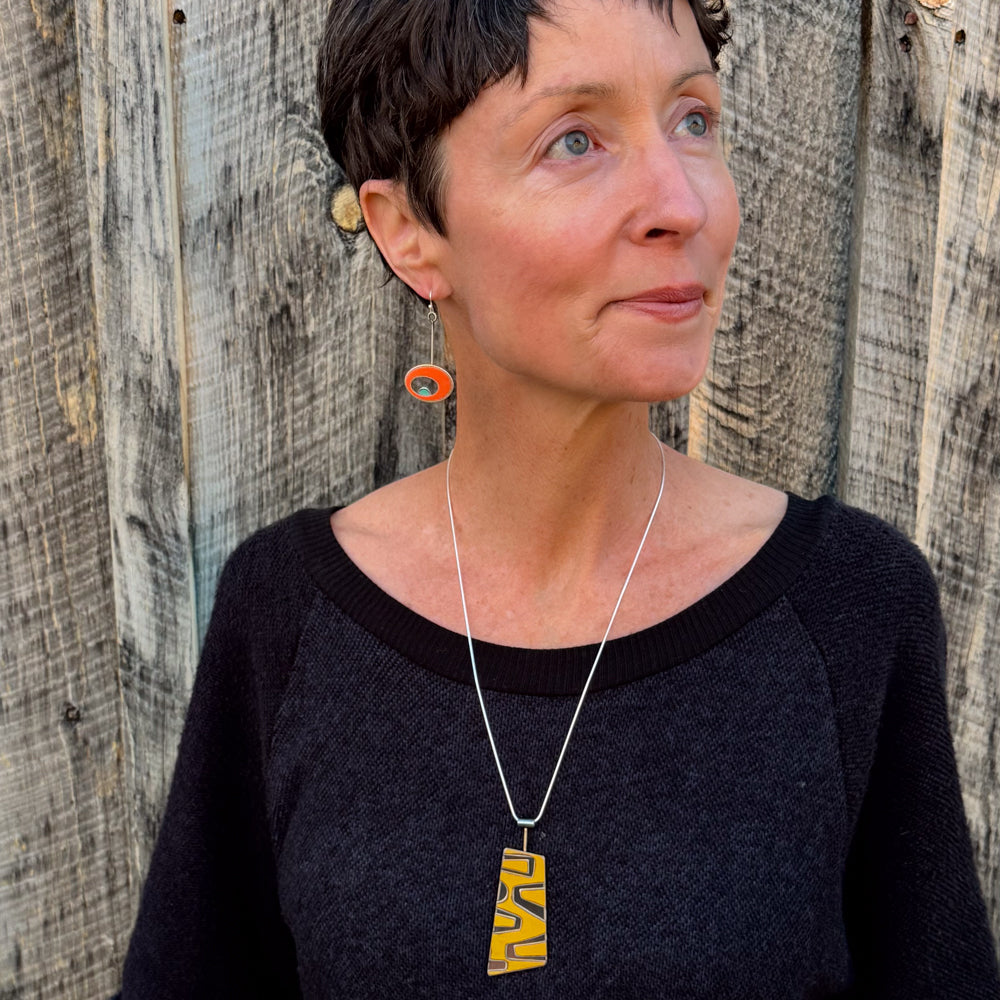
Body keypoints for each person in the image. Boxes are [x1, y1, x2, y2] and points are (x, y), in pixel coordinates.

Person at [115, 0, 1000, 996]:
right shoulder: (286, 615)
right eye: (574, 140)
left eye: (693, 119)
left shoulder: (851, 606)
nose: (682, 202)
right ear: (409, 230)